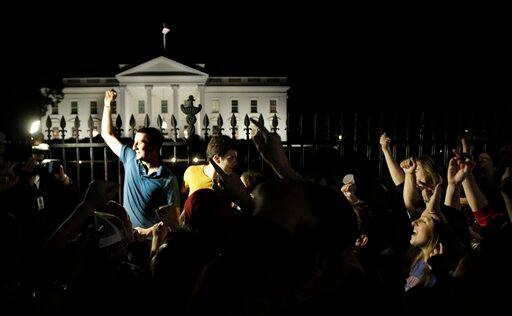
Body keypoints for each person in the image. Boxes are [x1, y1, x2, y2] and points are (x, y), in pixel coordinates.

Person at [101, 89, 180, 229]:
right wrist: (108, 105)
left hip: (151, 243)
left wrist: (147, 233)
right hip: (127, 238)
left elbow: (173, 222)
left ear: (155, 147)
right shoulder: (130, 158)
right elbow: (107, 134)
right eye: (134, 141)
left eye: (140, 142)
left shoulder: (168, 179)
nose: (134, 146)